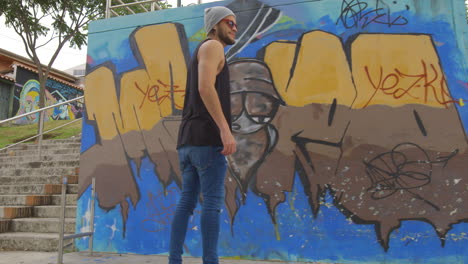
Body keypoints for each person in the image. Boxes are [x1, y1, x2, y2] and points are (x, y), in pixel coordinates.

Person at [168, 6, 238, 264]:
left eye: (236, 24)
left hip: (188, 141)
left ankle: (174, 260)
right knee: (211, 204)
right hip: (207, 140)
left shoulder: (203, 50)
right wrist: (224, 129)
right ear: (215, 24)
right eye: (230, 22)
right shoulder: (213, 46)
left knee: (186, 202)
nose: (234, 28)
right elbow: (205, 87)